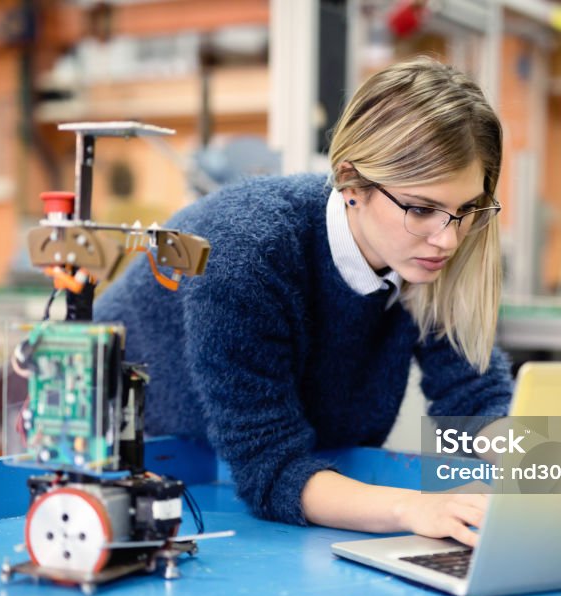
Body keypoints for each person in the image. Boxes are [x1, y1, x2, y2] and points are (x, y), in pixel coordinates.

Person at [94, 57, 512, 546]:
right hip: (118, 463)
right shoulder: (245, 251)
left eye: (467, 210)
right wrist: (417, 508)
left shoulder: (426, 252)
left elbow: (474, 405)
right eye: (422, 209)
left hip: (253, 476)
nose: (449, 239)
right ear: (351, 182)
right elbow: (272, 470)